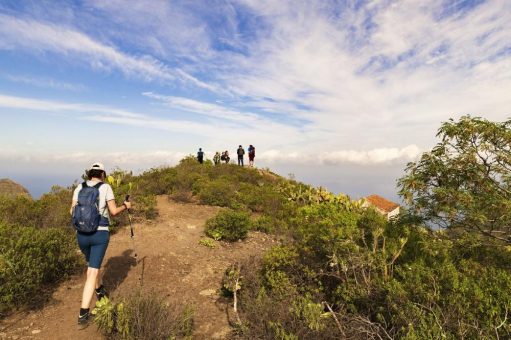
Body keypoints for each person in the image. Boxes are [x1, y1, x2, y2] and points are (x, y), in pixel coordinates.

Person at [70, 162, 131, 329]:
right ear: (102, 174)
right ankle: (83, 314)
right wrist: (125, 206)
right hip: (99, 234)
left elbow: (72, 212)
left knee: (91, 266)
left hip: (81, 235)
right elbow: (113, 212)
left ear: (90, 174)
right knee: (92, 272)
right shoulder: (106, 188)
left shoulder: (79, 187)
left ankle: (99, 289)